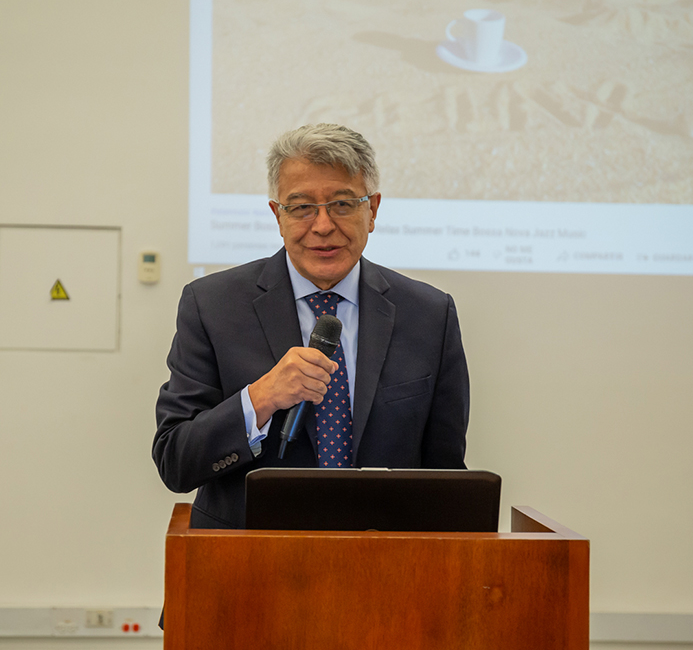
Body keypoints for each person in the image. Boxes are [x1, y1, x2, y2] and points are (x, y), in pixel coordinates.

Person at [153, 123, 469, 529]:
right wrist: (259, 399)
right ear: (277, 216)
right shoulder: (212, 306)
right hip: (249, 563)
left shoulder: (429, 314)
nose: (322, 226)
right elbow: (175, 461)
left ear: (371, 210)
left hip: (386, 568)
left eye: (342, 204)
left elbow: (446, 478)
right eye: (301, 207)